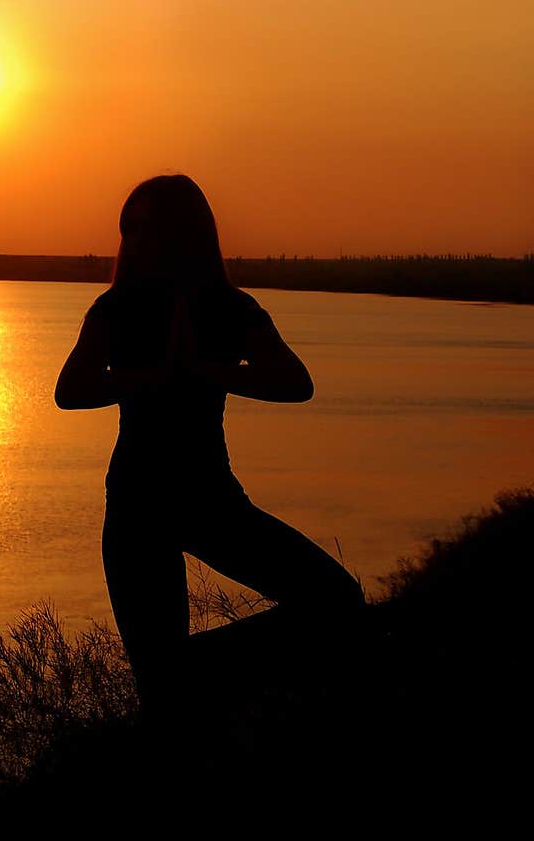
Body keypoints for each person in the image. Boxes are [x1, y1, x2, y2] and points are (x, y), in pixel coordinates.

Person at [54, 174, 364, 726]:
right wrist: (151, 378)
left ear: (185, 231)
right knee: (163, 702)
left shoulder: (229, 307)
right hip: (136, 506)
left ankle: (191, 672)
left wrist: (207, 371)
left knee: (335, 600)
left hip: (210, 498)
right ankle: (181, 686)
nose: (135, 239)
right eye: (130, 227)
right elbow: (69, 391)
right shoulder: (115, 307)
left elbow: (296, 382)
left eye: (147, 226)